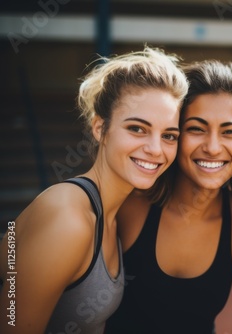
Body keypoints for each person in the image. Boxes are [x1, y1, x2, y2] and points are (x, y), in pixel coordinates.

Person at [0, 47, 189, 333]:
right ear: (100, 128)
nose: (155, 149)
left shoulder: (115, 213)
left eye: (169, 136)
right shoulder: (68, 218)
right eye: (137, 129)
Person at [105, 59, 232, 333]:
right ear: (175, 133)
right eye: (196, 128)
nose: (212, 147)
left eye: (229, 132)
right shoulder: (129, 205)